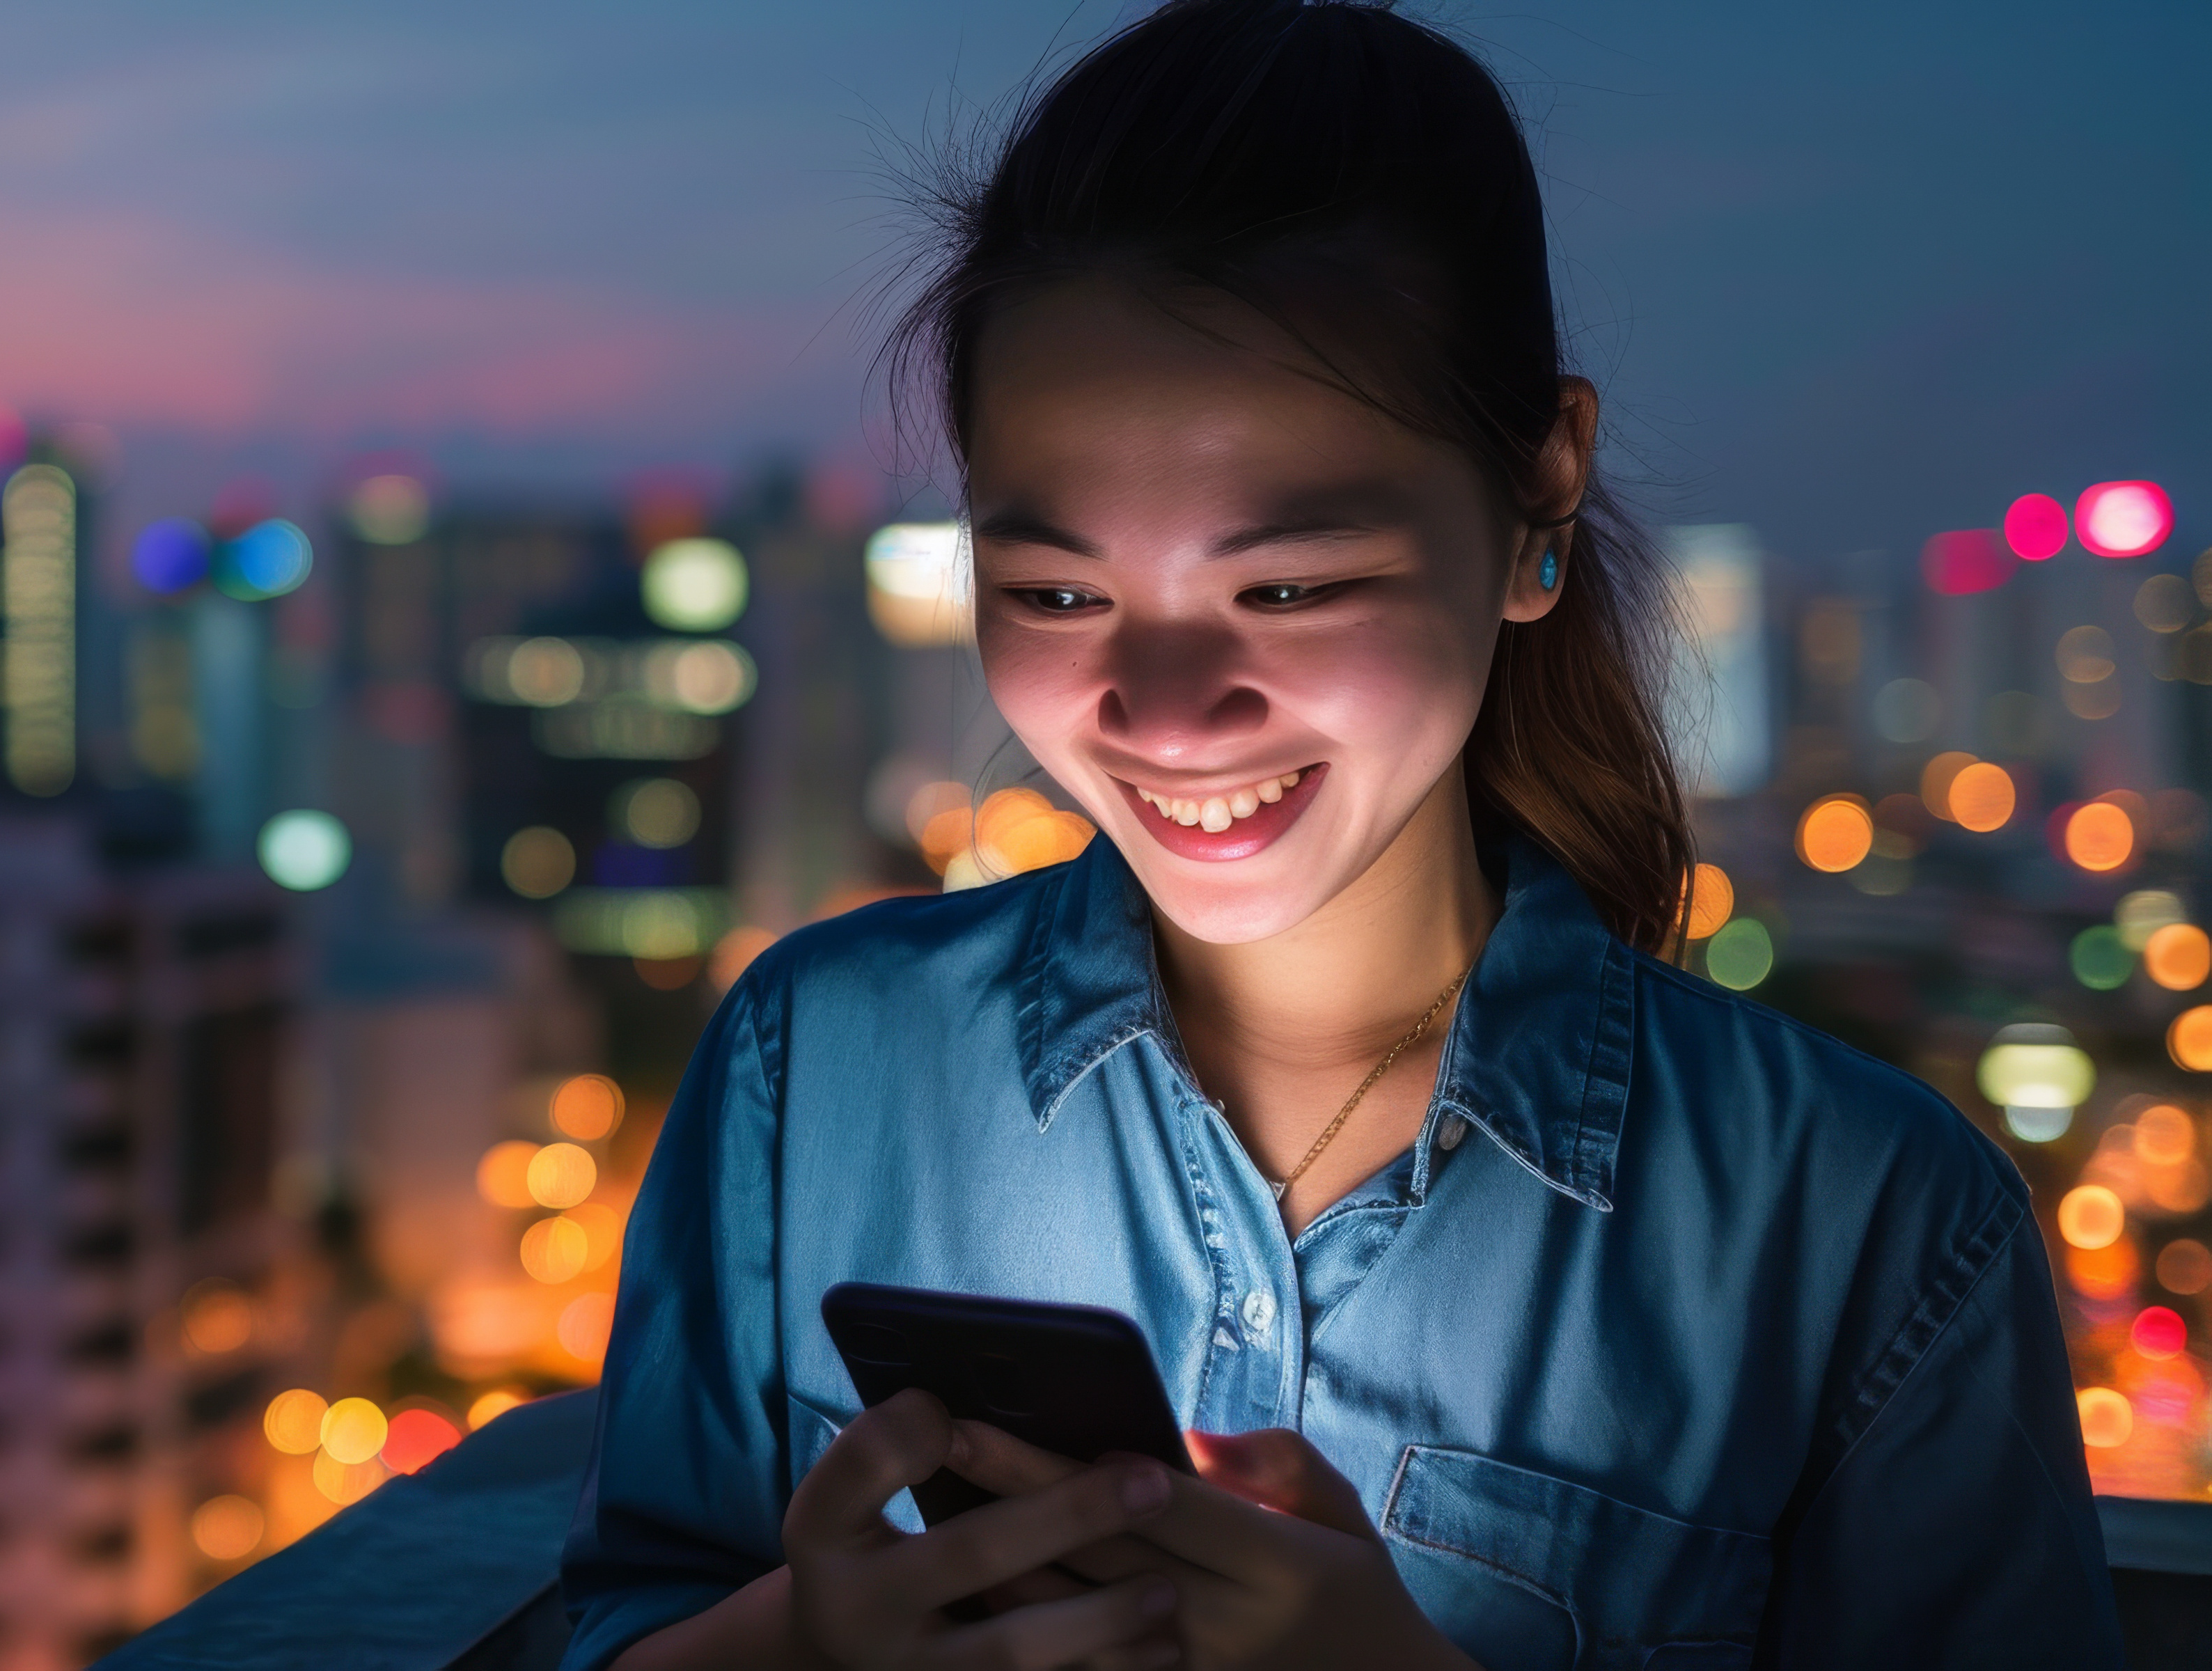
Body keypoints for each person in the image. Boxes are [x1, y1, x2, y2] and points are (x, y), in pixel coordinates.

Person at [558, 3, 2120, 1668]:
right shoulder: (822, 1068)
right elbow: (626, 1614)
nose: (1162, 711)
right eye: (1056, 591)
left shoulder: (1861, 1223)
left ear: (1537, 502)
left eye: (1291, 586)